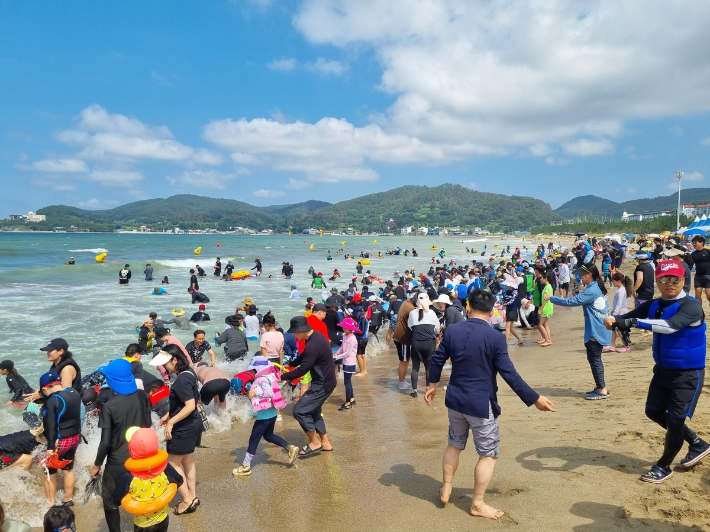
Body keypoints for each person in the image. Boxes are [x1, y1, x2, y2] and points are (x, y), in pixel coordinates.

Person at [424, 289, 555, 519]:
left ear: (468, 306)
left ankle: (446, 486)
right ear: (493, 310)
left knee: (454, 444)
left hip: (455, 400)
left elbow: (437, 358)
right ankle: (476, 504)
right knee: (488, 454)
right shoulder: (495, 337)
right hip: (480, 404)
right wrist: (535, 398)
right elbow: (509, 373)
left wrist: (432, 385)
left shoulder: (453, 330)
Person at [604, 260, 709, 483]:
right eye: (663, 279)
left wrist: (634, 322)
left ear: (683, 280)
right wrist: (614, 321)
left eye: (675, 279)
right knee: (653, 412)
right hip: (662, 371)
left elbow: (669, 326)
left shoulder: (691, 306)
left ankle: (664, 466)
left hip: (688, 374)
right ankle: (698, 444)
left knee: (675, 419)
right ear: (658, 281)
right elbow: (627, 317)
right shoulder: (654, 304)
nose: (669, 284)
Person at [89, 359, 152, 532]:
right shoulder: (142, 395)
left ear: (112, 380)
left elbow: (106, 443)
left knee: (110, 501)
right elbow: (148, 424)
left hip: (118, 462)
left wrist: (96, 465)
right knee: (142, 496)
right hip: (141, 457)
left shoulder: (109, 406)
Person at [545, 264, 612, 400]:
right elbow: (583, 300)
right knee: (594, 359)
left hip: (596, 330)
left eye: (582, 274)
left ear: (589, 275)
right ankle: (601, 386)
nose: (580, 277)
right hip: (599, 328)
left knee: (595, 360)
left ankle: (602, 389)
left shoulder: (592, 289)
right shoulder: (595, 287)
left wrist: (551, 298)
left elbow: (571, 302)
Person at [149, 346, 201, 515]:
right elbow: (185, 402)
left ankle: (187, 501)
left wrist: (171, 422)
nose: (164, 368)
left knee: (171, 465)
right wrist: (168, 415)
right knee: (188, 461)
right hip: (192, 424)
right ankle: (192, 496)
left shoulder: (182, 380)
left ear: (175, 360)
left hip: (183, 427)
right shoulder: (189, 373)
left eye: (166, 364)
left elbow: (190, 405)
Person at [280, 316, 336, 457]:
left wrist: (282, 377)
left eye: (294, 332)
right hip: (326, 381)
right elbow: (304, 356)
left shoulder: (313, 344)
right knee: (314, 411)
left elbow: (303, 369)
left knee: (299, 410)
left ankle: (314, 442)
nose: (293, 335)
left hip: (322, 384)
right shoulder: (316, 336)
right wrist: (291, 364)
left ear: (302, 330)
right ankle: (325, 443)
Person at [233, 359, 298, 476]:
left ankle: (245, 466)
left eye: (253, 370)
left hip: (264, 416)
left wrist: (255, 392)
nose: (252, 372)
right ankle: (290, 447)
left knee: (253, 439)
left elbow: (269, 393)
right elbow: (279, 386)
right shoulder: (271, 377)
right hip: (272, 413)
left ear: (257, 370)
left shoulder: (261, 379)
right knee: (268, 436)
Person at [112, 427, 183, 532]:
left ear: (131, 449)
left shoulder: (129, 477)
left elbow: (116, 498)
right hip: (163, 519)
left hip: (143, 524)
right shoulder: (166, 469)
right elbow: (179, 480)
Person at [39, 371, 82, 506]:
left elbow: (51, 425)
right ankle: (67, 499)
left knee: (49, 471)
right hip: (74, 437)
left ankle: (50, 503)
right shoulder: (74, 393)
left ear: (45, 389)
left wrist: (50, 446)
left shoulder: (53, 400)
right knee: (68, 468)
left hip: (60, 440)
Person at [25, 339, 82, 405]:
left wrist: (41, 395)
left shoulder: (67, 369)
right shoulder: (56, 364)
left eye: (50, 350)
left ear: (61, 351)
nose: (47, 353)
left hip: (72, 405)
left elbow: (65, 394)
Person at [407, 293, 440, 398]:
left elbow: (410, 327)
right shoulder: (431, 313)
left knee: (415, 368)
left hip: (416, 343)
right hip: (429, 342)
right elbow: (437, 329)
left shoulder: (412, 313)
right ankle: (428, 388)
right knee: (429, 367)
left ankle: (415, 391)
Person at [333, 317, 359, 410]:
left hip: (350, 363)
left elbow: (348, 353)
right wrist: (337, 352)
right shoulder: (344, 335)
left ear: (350, 328)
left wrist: (337, 357)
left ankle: (348, 402)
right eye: (343, 327)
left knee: (347, 382)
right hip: (345, 361)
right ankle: (351, 398)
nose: (343, 328)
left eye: (345, 327)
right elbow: (342, 347)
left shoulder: (353, 338)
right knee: (348, 381)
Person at [393, 295, 416, 390]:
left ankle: (402, 381)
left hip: (401, 336)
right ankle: (401, 382)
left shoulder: (406, 302)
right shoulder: (411, 308)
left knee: (406, 359)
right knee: (404, 360)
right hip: (402, 338)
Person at [606, 272, 632, 352]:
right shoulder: (621, 289)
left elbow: (619, 303)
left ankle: (626, 346)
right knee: (614, 328)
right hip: (618, 311)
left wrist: (615, 314)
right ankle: (612, 345)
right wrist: (613, 310)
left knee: (619, 330)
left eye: (613, 281)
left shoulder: (621, 290)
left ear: (619, 281)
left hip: (621, 313)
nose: (612, 282)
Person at [690, 235, 710, 306]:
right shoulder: (693, 254)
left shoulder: (707, 252)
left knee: (708, 295)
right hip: (698, 276)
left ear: (701, 243)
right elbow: (690, 265)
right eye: (693, 243)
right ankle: (699, 310)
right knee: (698, 293)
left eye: (695, 242)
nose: (694, 244)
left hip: (708, 275)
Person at [537, 273, 554, 347]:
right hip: (549, 307)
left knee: (540, 324)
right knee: (545, 324)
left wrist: (540, 309)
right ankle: (548, 339)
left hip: (546, 307)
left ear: (545, 279)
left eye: (541, 278)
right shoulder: (548, 286)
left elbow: (545, 300)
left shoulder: (547, 287)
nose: (540, 279)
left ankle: (547, 340)